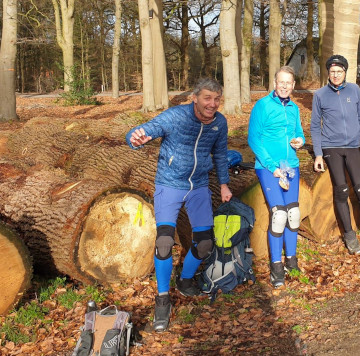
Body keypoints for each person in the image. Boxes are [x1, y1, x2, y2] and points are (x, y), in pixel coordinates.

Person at [125, 78, 233, 331]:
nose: (212, 104)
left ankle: (185, 281)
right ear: (194, 97)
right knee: (164, 242)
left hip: (199, 186)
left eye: (217, 99)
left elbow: (219, 153)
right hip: (169, 184)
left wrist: (225, 184)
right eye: (207, 98)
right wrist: (136, 137)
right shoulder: (176, 116)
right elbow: (147, 129)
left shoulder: (220, 123)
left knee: (205, 242)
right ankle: (162, 298)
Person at [310, 54, 360, 255]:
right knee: (341, 191)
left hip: (353, 146)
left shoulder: (354, 90)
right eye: (332, 71)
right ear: (328, 73)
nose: (336, 75)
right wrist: (318, 154)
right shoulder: (320, 95)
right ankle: (350, 235)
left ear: (345, 72)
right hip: (331, 147)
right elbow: (314, 126)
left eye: (339, 71)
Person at [248, 66, 305, 288]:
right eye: (280, 82)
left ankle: (291, 259)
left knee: (293, 212)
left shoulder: (294, 108)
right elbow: (254, 139)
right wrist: (272, 167)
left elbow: (298, 132)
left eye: (288, 83)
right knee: (279, 215)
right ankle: (276, 265)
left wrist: (300, 141)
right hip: (269, 168)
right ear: (274, 83)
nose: (284, 86)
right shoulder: (262, 106)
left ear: (293, 86)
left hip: (291, 166)